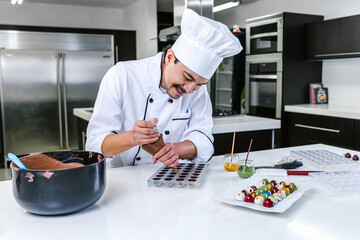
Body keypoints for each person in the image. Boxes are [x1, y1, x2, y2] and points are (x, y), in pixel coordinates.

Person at [85, 9, 242, 168]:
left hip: (173, 175)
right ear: (169, 57)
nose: (189, 90)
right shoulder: (122, 76)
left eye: (200, 84)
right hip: (127, 178)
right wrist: (133, 137)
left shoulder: (196, 90)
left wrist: (176, 150)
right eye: (187, 78)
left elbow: (203, 137)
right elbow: (94, 145)